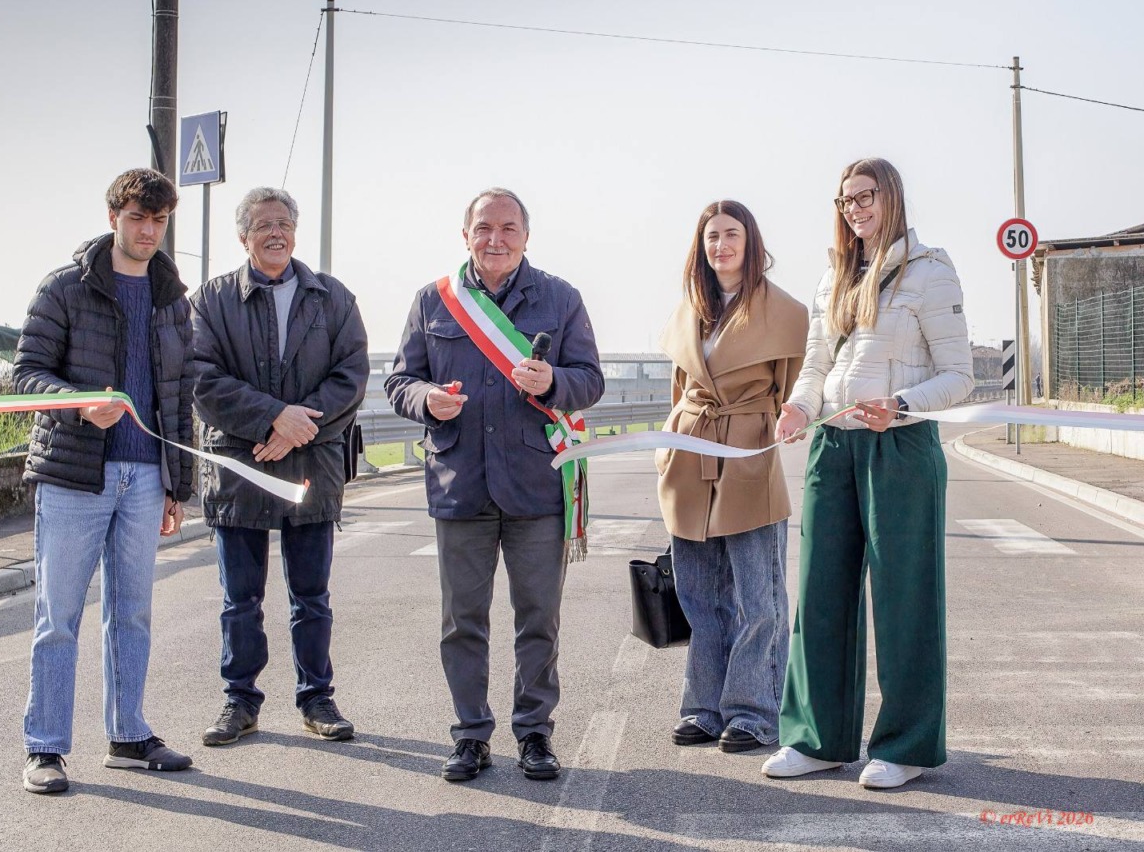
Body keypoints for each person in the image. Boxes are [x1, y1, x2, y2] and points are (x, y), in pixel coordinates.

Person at [763, 157, 974, 789]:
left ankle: (906, 745)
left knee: (905, 600)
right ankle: (818, 738)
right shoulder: (835, 275)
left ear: (892, 199)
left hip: (901, 448)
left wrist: (902, 407)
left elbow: (959, 375)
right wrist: (800, 407)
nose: (854, 208)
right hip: (834, 444)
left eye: (866, 197)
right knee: (820, 595)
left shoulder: (930, 271)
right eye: (846, 199)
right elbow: (816, 361)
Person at [386, 188, 604, 783]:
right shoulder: (434, 301)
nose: (496, 239)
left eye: (509, 228)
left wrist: (554, 379)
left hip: (537, 486)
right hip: (461, 485)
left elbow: (590, 380)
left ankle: (535, 733)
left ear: (526, 237)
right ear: (466, 236)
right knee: (463, 621)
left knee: (538, 618)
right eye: (484, 228)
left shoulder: (560, 299)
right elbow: (399, 380)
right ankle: (470, 735)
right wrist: (425, 400)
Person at [14, 167, 195, 794]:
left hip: (145, 478)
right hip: (73, 474)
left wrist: (178, 486)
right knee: (58, 615)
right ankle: (44, 747)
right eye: (138, 218)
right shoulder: (65, 287)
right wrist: (80, 404)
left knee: (134, 614)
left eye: (159, 220)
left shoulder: (174, 297)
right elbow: (26, 375)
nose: (148, 231)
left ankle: (127, 735)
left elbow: (178, 397)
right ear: (114, 215)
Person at [191, 187, 368, 749]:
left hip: (313, 463)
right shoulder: (211, 300)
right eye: (264, 224)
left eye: (285, 223)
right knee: (240, 598)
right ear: (243, 236)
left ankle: (317, 698)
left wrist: (296, 426)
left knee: (310, 595)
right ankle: (239, 701)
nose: (277, 233)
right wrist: (271, 420)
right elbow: (200, 376)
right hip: (240, 467)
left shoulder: (333, 298)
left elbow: (351, 375)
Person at [655, 200, 807, 753]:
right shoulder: (687, 310)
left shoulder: (785, 312)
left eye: (731, 234)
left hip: (748, 452)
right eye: (712, 236)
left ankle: (754, 711)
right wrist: (672, 446)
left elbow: (790, 388)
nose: (722, 245)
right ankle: (703, 707)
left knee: (759, 594)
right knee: (698, 592)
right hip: (689, 453)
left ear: (752, 241)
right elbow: (680, 387)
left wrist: (773, 428)